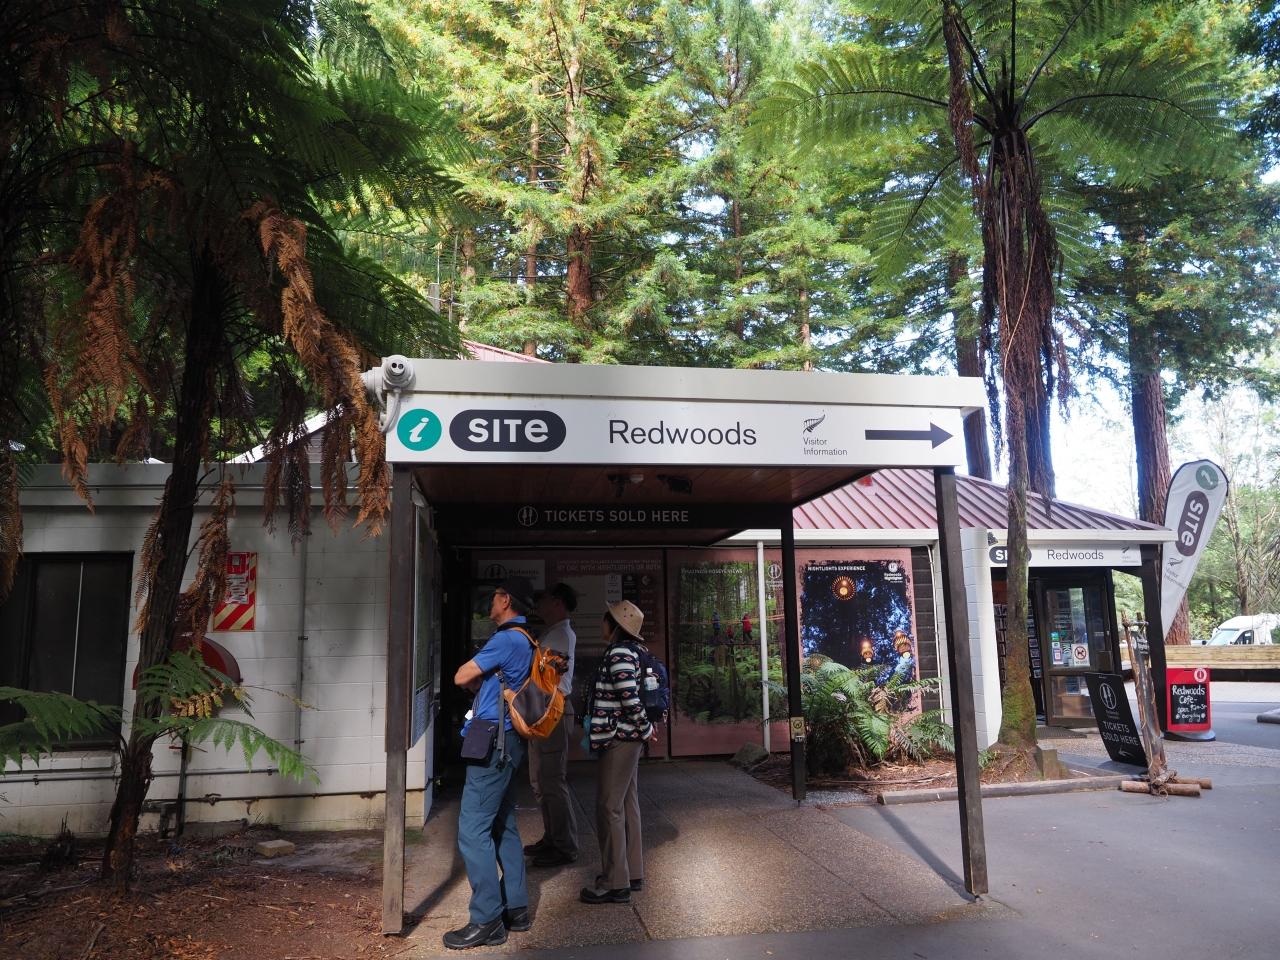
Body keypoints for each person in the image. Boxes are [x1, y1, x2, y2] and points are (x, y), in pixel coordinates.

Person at [443, 576, 536, 950]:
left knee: (473, 830)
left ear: (506, 600)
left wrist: (476, 674)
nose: (490, 602)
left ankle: (486, 920)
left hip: (493, 741)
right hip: (511, 741)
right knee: (503, 823)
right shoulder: (527, 639)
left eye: (495, 597)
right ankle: (516, 907)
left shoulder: (505, 638)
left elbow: (461, 675)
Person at [580, 599, 656, 905]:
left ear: (614, 626)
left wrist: (646, 728)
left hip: (618, 738)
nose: (603, 624)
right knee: (626, 803)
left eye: (606, 620)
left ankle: (615, 883)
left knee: (609, 806)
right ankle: (632, 873)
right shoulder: (631, 651)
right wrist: (644, 729)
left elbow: (629, 698)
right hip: (626, 736)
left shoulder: (619, 653)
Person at [523, 582, 579, 868]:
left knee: (552, 780)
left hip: (552, 711)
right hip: (543, 710)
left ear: (557, 602)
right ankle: (553, 837)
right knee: (540, 780)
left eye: (543, 600)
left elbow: (546, 676)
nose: (539, 605)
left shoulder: (560, 635)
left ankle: (564, 845)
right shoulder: (553, 632)